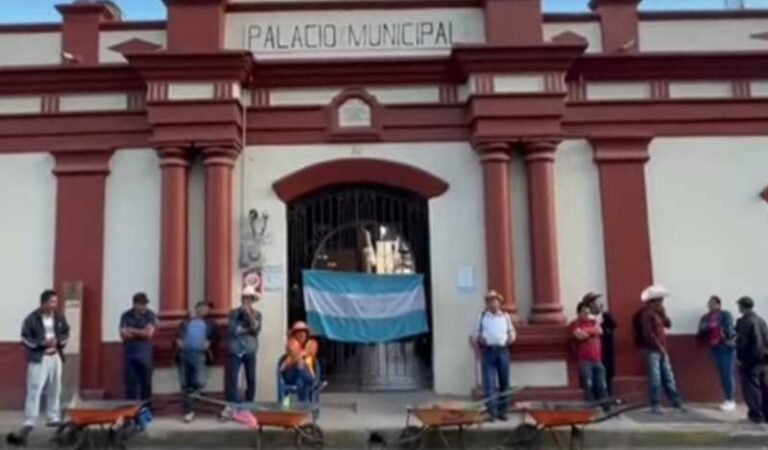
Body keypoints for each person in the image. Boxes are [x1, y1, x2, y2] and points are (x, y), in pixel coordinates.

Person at [20, 290, 70, 431]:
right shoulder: (32, 319)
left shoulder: (59, 317)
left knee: (55, 387)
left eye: (56, 302)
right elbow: (25, 338)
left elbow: (66, 333)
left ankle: (53, 417)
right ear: (43, 303)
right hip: (39, 357)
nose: (55, 305)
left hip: (55, 356)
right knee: (35, 387)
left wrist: (58, 341)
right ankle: (30, 419)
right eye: (52, 302)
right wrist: (41, 343)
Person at [633, 285, 686, 415]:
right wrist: (659, 348)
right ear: (653, 301)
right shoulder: (646, 314)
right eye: (660, 300)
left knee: (669, 377)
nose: (661, 303)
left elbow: (668, 324)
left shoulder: (658, 313)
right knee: (655, 378)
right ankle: (655, 404)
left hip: (661, 349)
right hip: (652, 350)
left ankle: (676, 402)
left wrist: (663, 313)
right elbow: (648, 334)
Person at [473, 290, 516, 421]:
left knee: (504, 382)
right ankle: (491, 412)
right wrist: (480, 338)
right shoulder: (482, 317)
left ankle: (503, 411)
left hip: (503, 351)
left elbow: (512, 332)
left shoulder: (505, 317)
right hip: (488, 351)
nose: (492, 303)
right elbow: (475, 333)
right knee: (489, 382)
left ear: (499, 302)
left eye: (494, 300)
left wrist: (511, 338)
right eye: (489, 301)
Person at [176, 301, 218, 423]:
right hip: (184, 354)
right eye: (202, 308)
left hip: (200, 355)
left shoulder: (210, 324)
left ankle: (194, 400)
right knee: (185, 384)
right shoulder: (186, 322)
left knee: (199, 381)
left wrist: (209, 342)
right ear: (196, 308)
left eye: (207, 309)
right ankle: (188, 411)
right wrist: (178, 341)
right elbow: (177, 335)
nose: (204, 310)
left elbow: (216, 337)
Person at [697, 295, 737, 411]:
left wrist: (722, 331)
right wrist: (704, 328)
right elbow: (700, 332)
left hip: (725, 346)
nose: (710, 305)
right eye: (709, 303)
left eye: (713, 303)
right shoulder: (705, 317)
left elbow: (729, 329)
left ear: (719, 305)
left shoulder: (725, 315)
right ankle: (727, 398)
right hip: (714, 347)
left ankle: (730, 399)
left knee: (727, 373)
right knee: (721, 373)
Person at [225, 287, 262, 408]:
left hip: (250, 349)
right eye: (245, 298)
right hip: (235, 349)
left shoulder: (257, 314)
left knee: (251, 378)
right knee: (233, 379)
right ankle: (232, 405)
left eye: (249, 298)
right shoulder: (233, 313)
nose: (247, 301)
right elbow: (233, 330)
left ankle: (249, 404)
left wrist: (249, 316)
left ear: (252, 300)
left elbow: (256, 330)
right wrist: (248, 329)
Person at [734, 296, 768, 424]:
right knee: (763, 387)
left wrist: (740, 358)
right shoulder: (761, 320)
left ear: (742, 306)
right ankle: (765, 413)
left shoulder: (745, 321)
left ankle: (756, 414)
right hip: (764, 358)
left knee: (751, 387)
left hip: (751, 358)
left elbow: (742, 342)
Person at [119, 292, 157, 402]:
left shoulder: (150, 315)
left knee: (146, 383)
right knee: (130, 383)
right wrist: (141, 332)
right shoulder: (125, 315)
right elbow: (123, 334)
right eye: (142, 304)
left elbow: (149, 334)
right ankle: (131, 411)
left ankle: (146, 409)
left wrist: (131, 330)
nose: (144, 306)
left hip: (144, 353)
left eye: (145, 304)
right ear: (135, 304)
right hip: (129, 353)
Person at [570, 303, 608, 403]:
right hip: (584, 360)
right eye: (584, 312)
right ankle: (592, 406)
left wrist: (587, 332)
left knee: (601, 384)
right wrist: (592, 333)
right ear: (578, 313)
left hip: (597, 359)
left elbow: (599, 331)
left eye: (588, 312)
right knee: (589, 385)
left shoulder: (593, 322)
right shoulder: (575, 324)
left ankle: (605, 406)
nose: (587, 314)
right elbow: (579, 335)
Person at [581, 292, 617, 395]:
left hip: (606, 346)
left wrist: (605, 313)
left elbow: (613, 325)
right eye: (594, 301)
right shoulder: (588, 317)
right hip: (593, 349)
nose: (597, 303)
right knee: (594, 376)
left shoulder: (604, 315)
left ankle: (607, 393)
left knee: (608, 371)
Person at [280, 321, 320, 402]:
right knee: (299, 365)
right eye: (298, 332)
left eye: (304, 331)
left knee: (300, 381)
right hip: (290, 374)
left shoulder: (312, 343)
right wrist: (301, 356)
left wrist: (293, 359)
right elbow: (296, 356)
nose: (302, 334)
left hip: (303, 375)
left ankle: (302, 407)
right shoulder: (291, 343)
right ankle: (314, 383)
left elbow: (311, 351)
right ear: (294, 334)